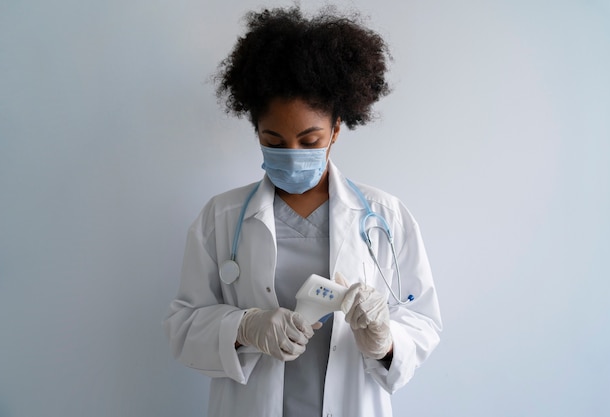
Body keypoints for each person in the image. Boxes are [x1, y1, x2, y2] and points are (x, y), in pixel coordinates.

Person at [164, 6, 442, 417]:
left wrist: (385, 341)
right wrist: (243, 328)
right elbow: (183, 328)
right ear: (256, 130)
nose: (291, 155)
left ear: (336, 129)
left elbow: (423, 322)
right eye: (273, 140)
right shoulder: (220, 218)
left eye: (310, 141)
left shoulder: (386, 217)